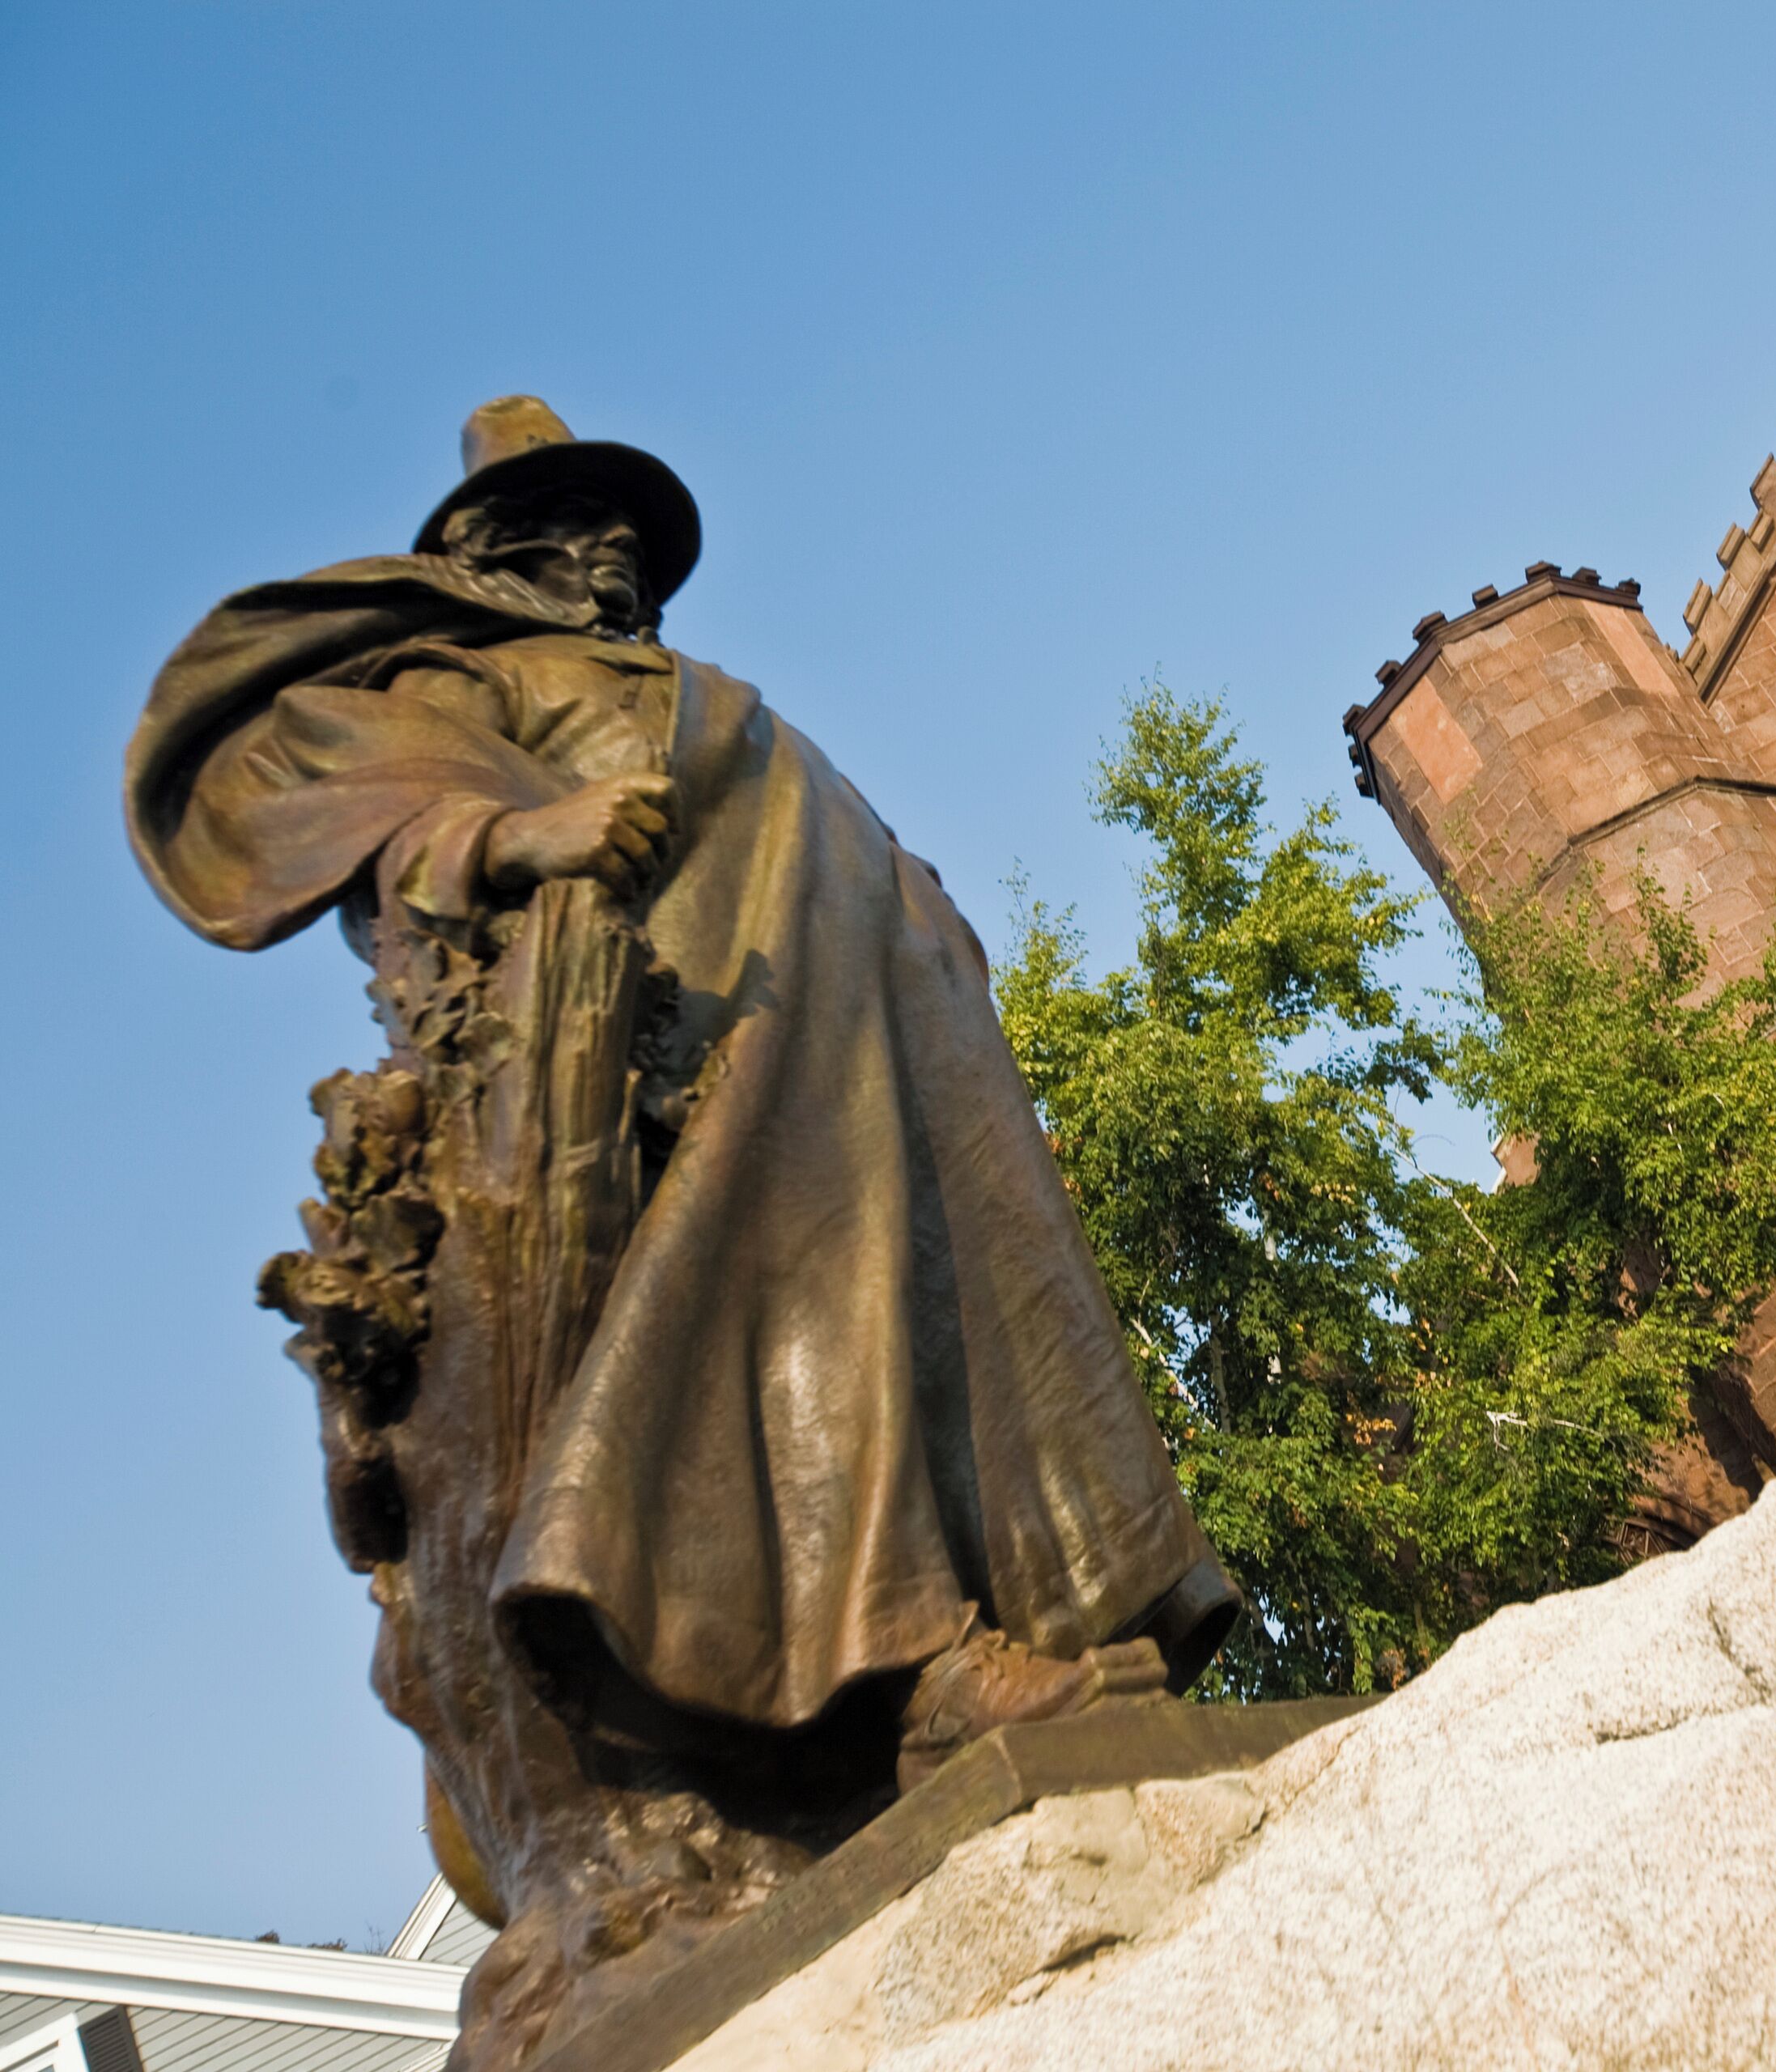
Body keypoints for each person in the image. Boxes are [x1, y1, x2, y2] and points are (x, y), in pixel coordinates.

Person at [127, 398, 1236, 1802]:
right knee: (815, 1329)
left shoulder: (704, 691)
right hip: (695, 1073)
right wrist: (510, 835)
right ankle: (910, 1664)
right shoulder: (456, 687)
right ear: (489, 551)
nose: (612, 565)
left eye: (625, 543)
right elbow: (382, 833)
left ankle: (1059, 1604)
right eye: (577, 536)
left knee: (966, 1312)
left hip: (872, 1050)